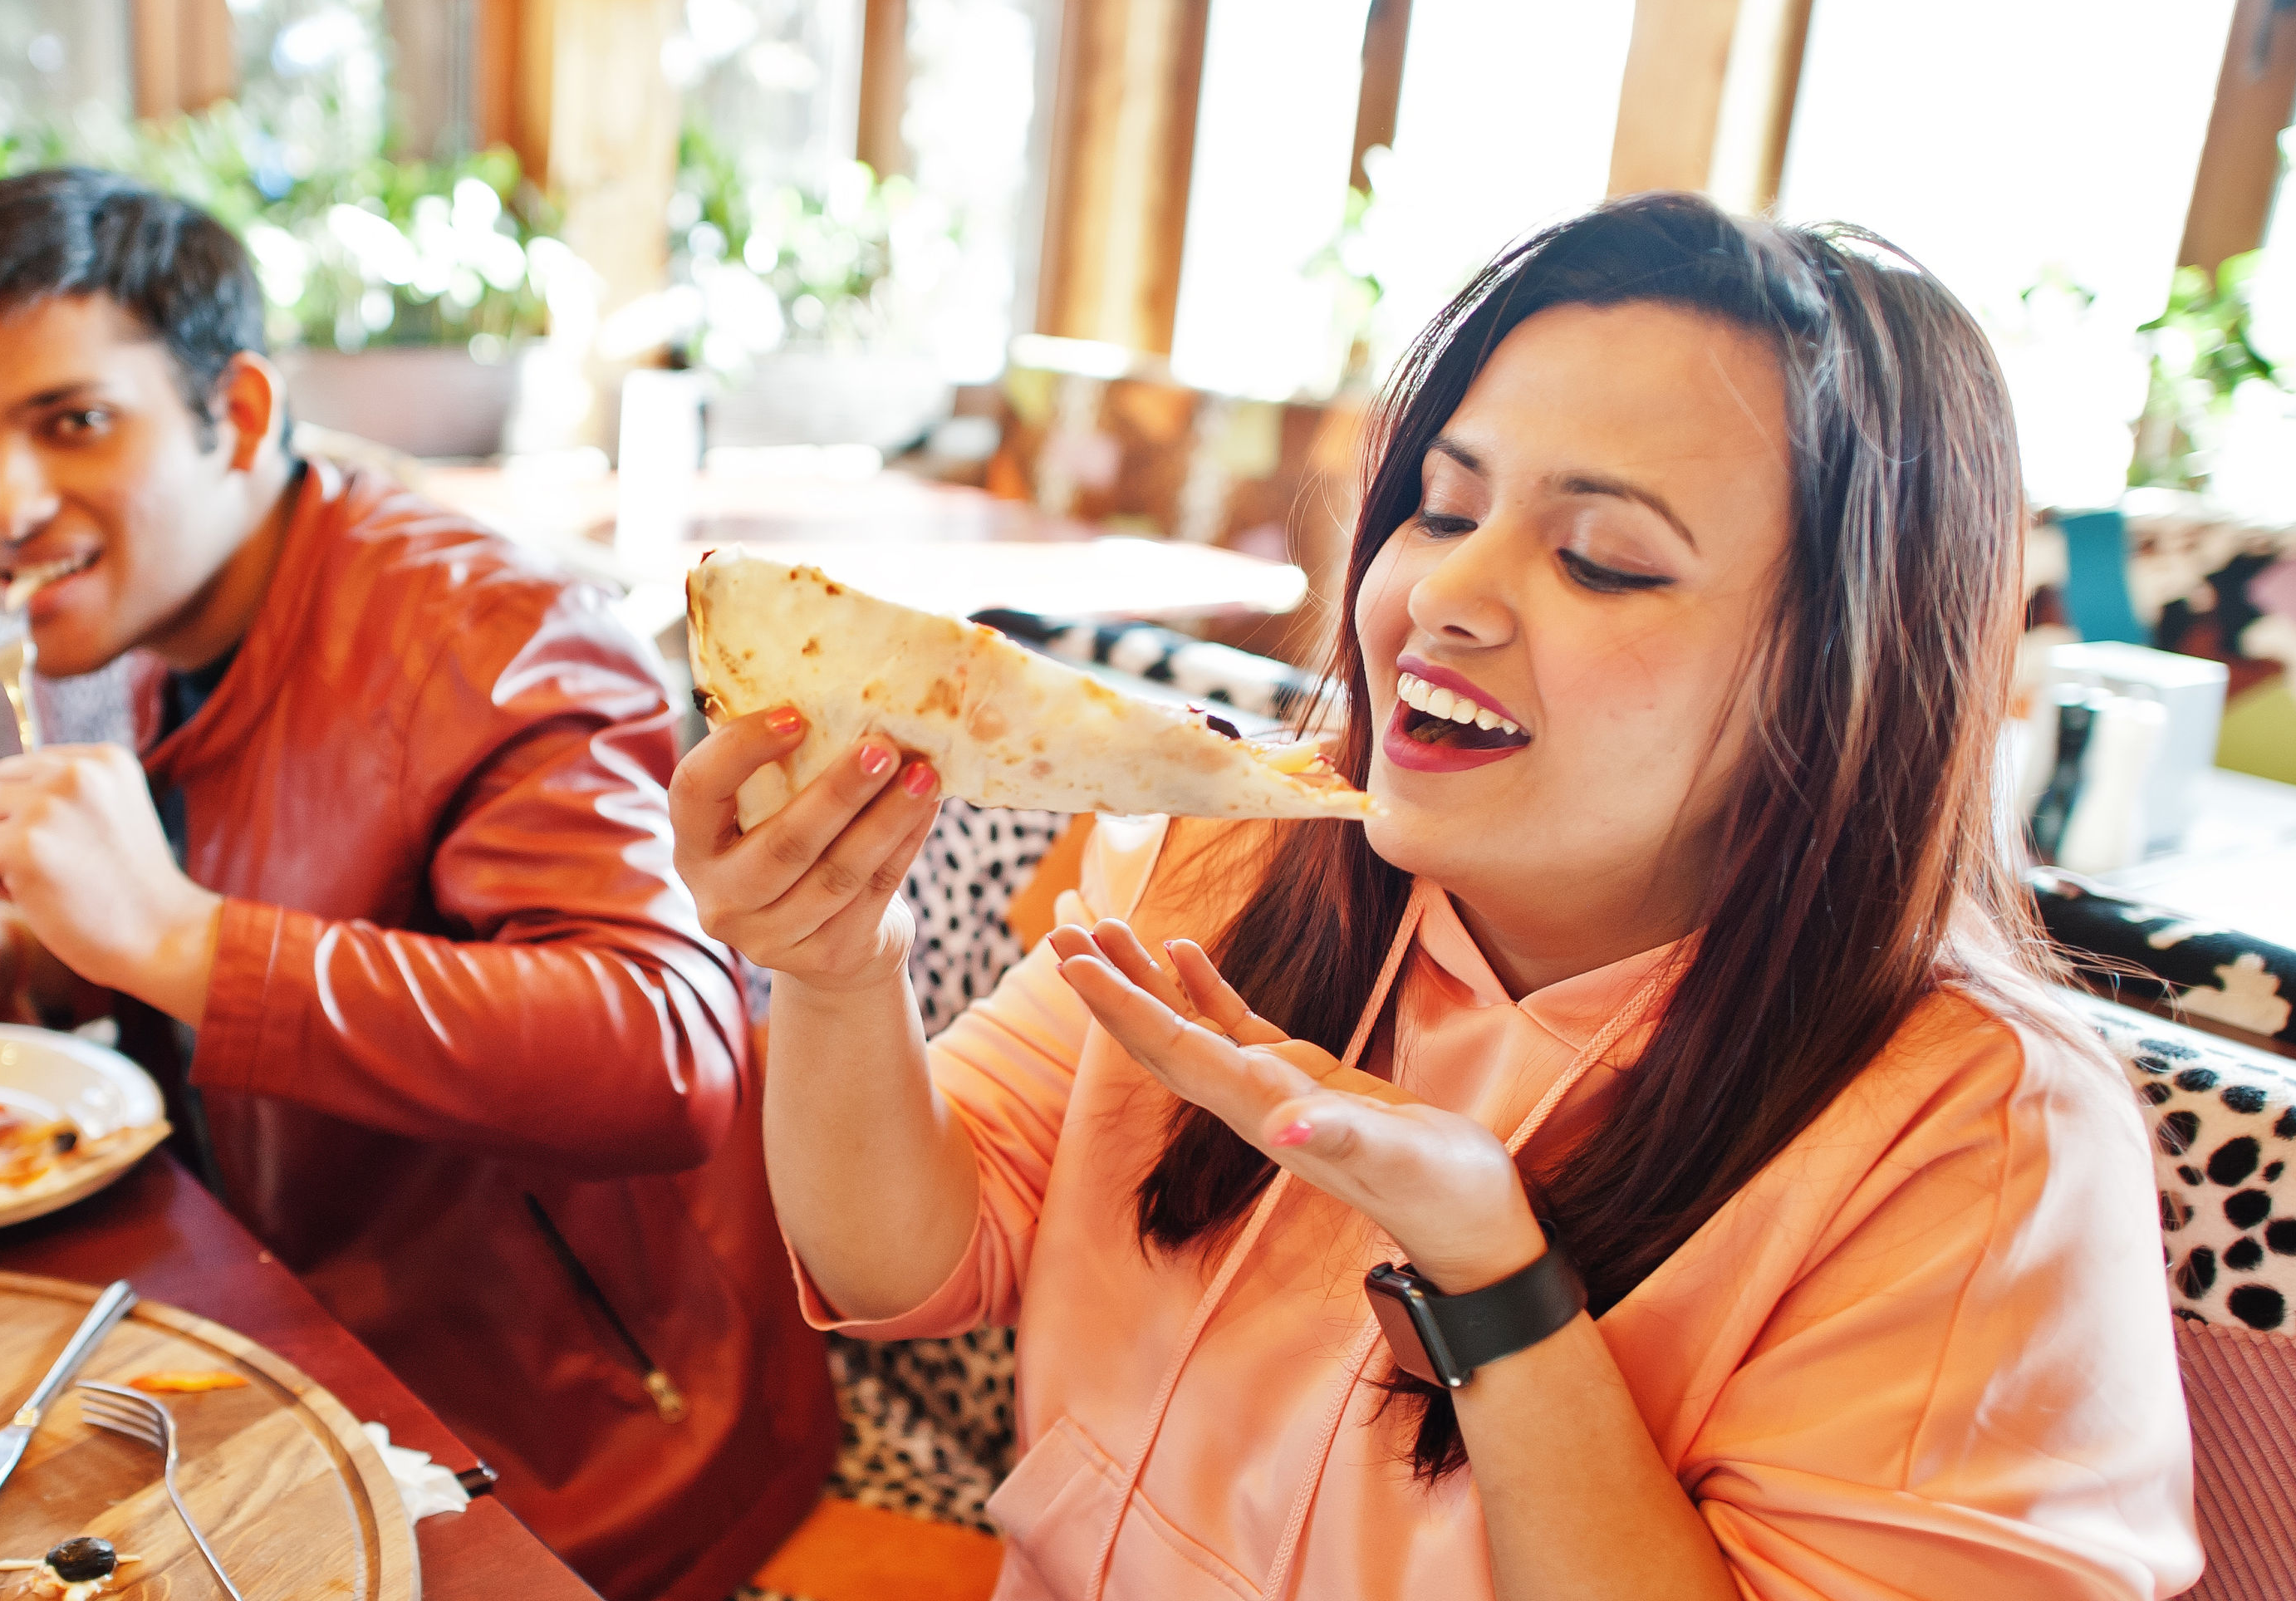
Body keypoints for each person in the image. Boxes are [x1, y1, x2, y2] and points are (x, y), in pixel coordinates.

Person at [676, 194, 2202, 1599]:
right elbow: (904, 1259)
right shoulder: (1237, 857)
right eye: (1447, 508)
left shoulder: (1983, 1142)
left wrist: (1497, 1279)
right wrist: (833, 968)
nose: (1443, 597)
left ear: (1845, 675)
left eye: (1603, 562)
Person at [0, 169, 834, 1601]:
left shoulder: (487, 628)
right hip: (278, 1311)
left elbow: (666, 1049)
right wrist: (43, 965)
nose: (5, 502)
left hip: (569, 1436)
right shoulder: (176, 604)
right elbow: (289, 890)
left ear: (235, 417)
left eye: (70, 423)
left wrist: (178, 940)